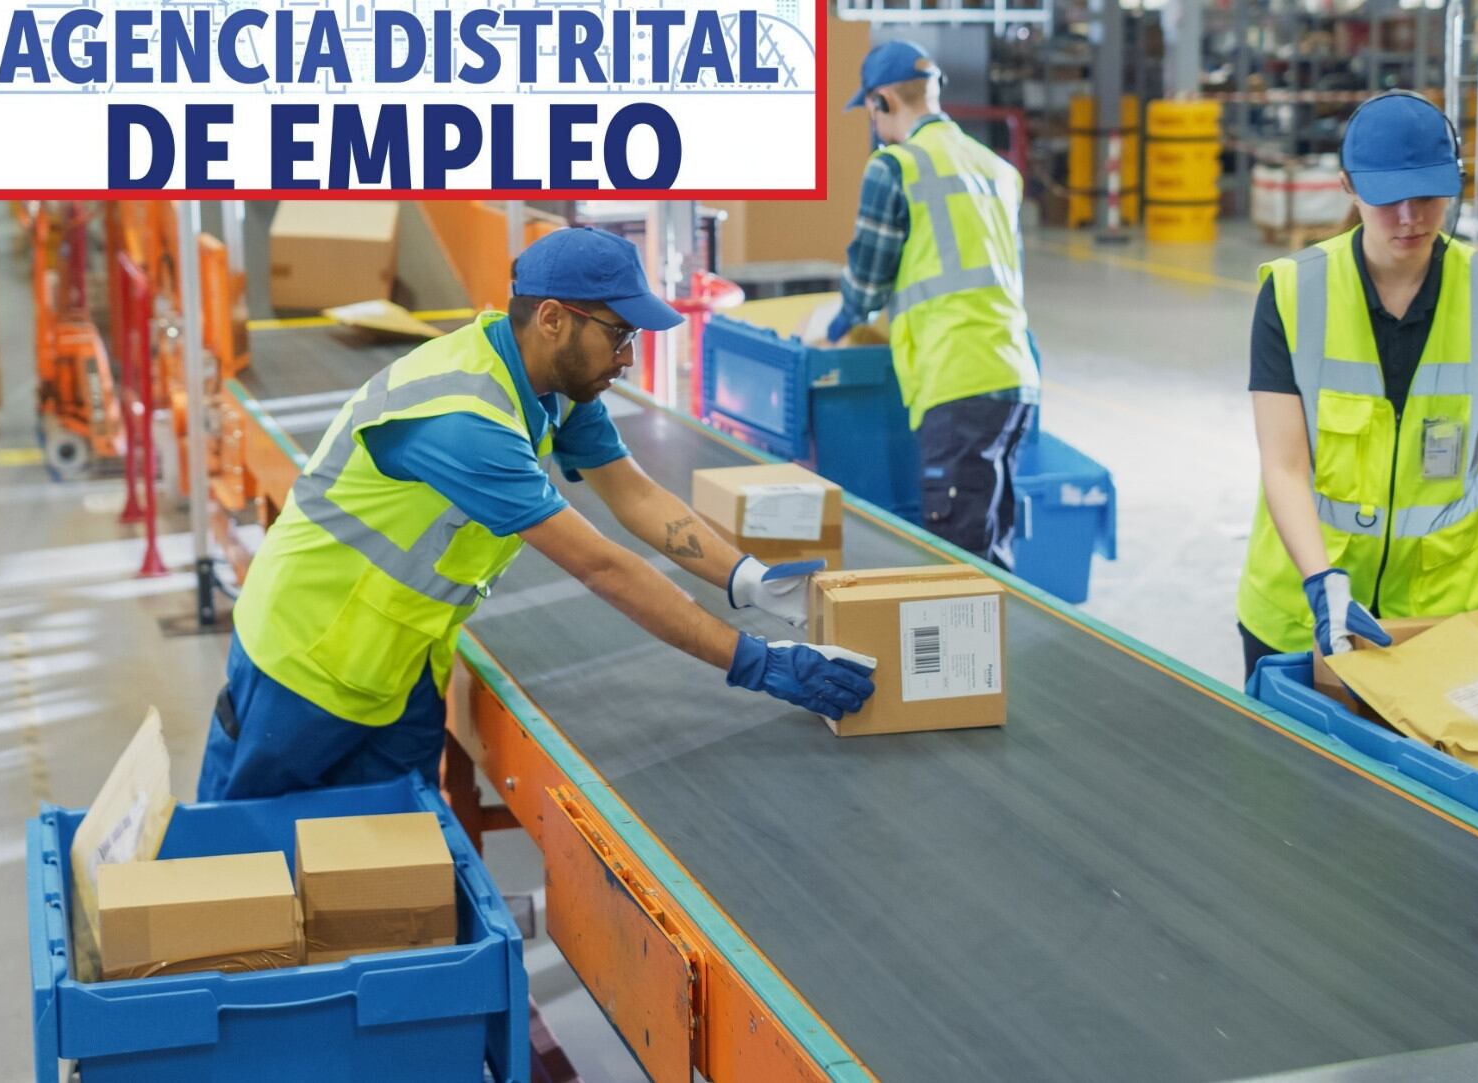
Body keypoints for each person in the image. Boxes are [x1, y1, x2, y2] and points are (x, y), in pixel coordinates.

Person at [198, 227, 876, 801]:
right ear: (552, 318)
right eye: (617, 334)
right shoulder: (464, 418)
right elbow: (601, 566)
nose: (628, 356)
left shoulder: (552, 384)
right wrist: (752, 661)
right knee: (245, 862)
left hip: (402, 662)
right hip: (305, 663)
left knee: (391, 873)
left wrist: (748, 578)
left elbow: (633, 493)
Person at [1239, 91, 1478, 679]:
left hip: (1444, 617)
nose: (1410, 216)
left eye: (1428, 194)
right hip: (1300, 613)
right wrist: (1320, 580)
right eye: (1389, 198)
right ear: (1348, 186)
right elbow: (1284, 464)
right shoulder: (1292, 292)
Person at [822, 39, 1041, 570]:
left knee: (959, 563)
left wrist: (838, 323)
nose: (873, 126)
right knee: (992, 553)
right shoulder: (996, 169)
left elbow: (868, 286)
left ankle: (979, 655)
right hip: (1014, 377)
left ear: (882, 102)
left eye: (871, 112)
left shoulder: (895, 167)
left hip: (955, 379)